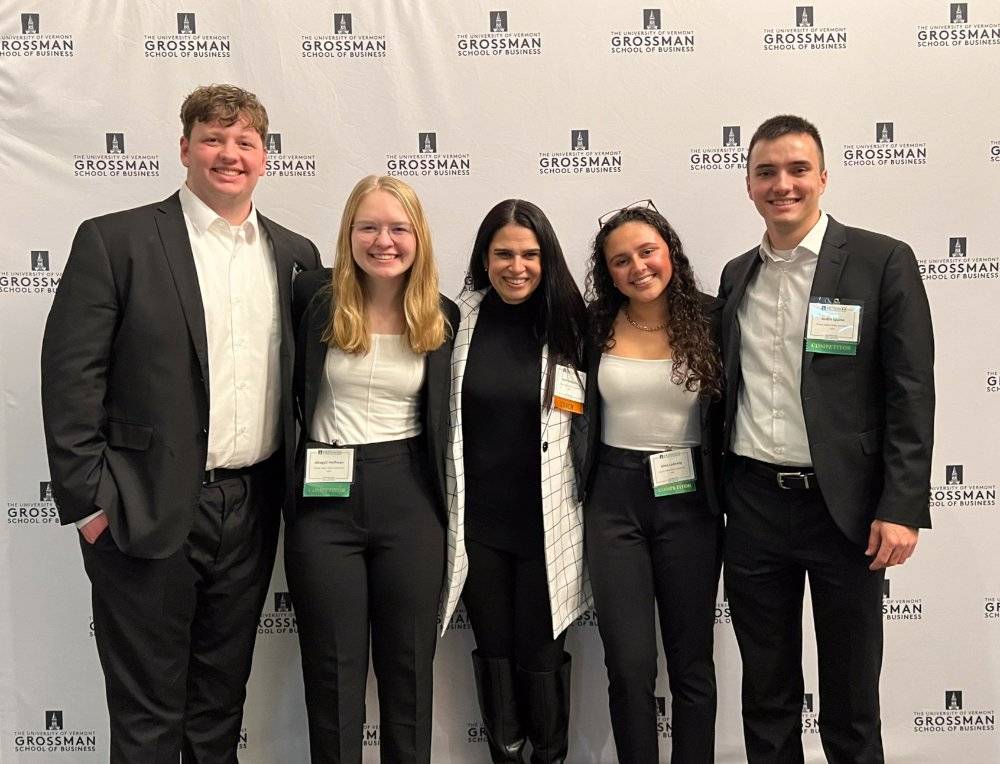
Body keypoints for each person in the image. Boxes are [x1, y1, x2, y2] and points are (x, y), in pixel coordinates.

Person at [40, 83, 321, 762]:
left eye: (245, 141)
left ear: (265, 155)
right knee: (146, 715)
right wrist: (89, 505)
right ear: (185, 148)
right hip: (141, 507)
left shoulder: (297, 256)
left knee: (219, 707)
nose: (229, 154)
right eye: (213, 139)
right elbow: (71, 379)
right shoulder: (117, 240)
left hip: (251, 511)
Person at [718, 114, 934, 763]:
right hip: (753, 506)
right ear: (750, 184)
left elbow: (910, 391)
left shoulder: (880, 260)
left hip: (848, 510)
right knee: (768, 693)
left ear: (822, 177)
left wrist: (901, 506)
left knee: (850, 698)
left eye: (796, 169)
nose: (782, 184)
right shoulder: (736, 276)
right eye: (766, 172)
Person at [286, 175, 458, 763]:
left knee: (408, 674)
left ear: (419, 237)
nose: (383, 241)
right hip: (323, 501)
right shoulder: (314, 304)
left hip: (410, 495)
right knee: (332, 676)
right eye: (369, 227)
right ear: (349, 235)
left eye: (398, 228)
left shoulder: (443, 317)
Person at [440, 199, 590, 763]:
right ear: (485, 257)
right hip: (479, 530)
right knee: (494, 649)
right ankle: (505, 756)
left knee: (544, 654)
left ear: (546, 258)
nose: (517, 266)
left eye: (530, 254)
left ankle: (548, 757)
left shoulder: (573, 324)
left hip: (550, 528)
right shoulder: (457, 322)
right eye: (504, 253)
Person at [580, 202, 724, 763]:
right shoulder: (593, 326)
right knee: (630, 664)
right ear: (607, 272)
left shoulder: (712, 319)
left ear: (670, 253)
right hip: (612, 502)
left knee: (692, 663)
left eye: (647, 252)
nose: (637, 267)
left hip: (689, 498)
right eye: (620, 260)